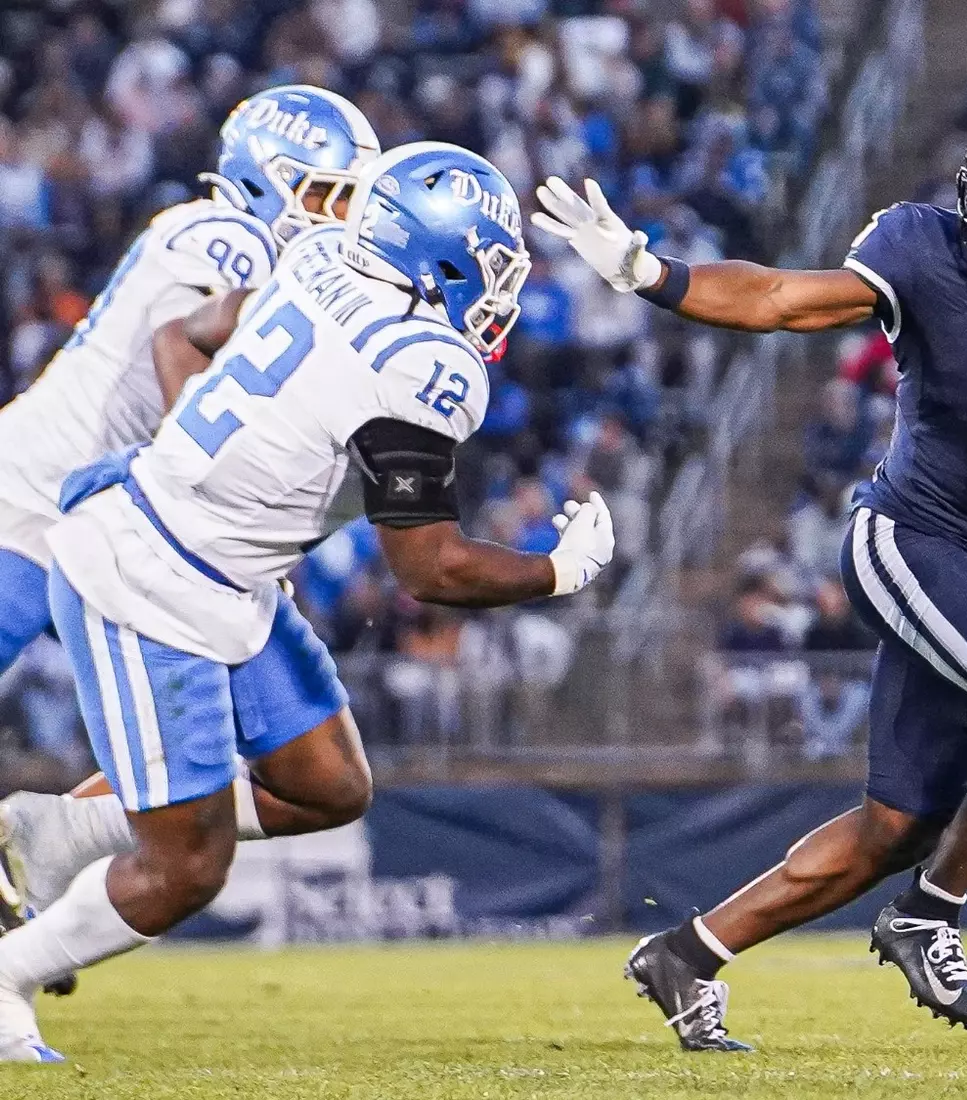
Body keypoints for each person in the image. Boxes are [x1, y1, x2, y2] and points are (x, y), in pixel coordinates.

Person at [533, 87, 967, 1050]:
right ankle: (930, 914)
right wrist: (648, 271)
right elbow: (781, 299)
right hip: (905, 537)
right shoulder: (922, 246)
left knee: (896, 825)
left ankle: (687, 954)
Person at [0, 143, 616, 1062]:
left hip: (224, 569)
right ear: (436, 256)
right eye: (487, 267)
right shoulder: (417, 362)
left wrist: (227, 477)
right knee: (188, 866)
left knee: (328, 786)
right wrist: (557, 572)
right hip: (151, 572)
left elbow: (190, 335)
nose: (498, 293)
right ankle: (7, 975)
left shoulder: (319, 257)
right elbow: (431, 569)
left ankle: (56, 830)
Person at [0, 85, 380, 969]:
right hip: (31, 509)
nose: (338, 217)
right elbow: (187, 344)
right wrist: (213, 503)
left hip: (132, 531)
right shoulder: (221, 233)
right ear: (262, 181)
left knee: (286, 766)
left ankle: (41, 839)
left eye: (349, 199)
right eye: (321, 193)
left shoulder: (292, 273)